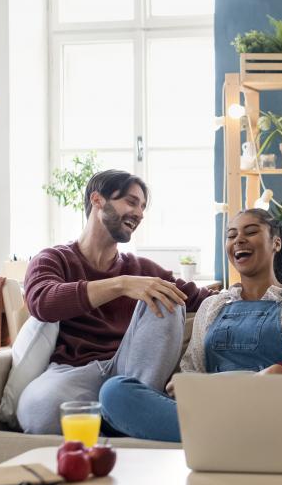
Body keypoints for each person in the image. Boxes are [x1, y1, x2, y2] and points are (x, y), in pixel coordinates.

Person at [98, 208, 282, 442]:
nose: (239, 239)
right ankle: (228, 438)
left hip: (271, 411)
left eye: (251, 232)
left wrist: (275, 374)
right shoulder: (213, 304)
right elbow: (192, 370)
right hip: (212, 411)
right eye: (231, 235)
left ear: (276, 243)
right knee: (114, 391)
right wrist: (181, 386)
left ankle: (219, 438)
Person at [17, 170, 216, 434]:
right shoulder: (53, 259)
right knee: (36, 411)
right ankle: (121, 423)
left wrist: (261, 292)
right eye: (132, 202)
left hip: (132, 373)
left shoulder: (142, 269)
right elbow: (41, 302)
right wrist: (121, 284)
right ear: (97, 200)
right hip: (74, 373)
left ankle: (132, 408)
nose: (140, 213)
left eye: (143, 207)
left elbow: (202, 299)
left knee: (167, 295)